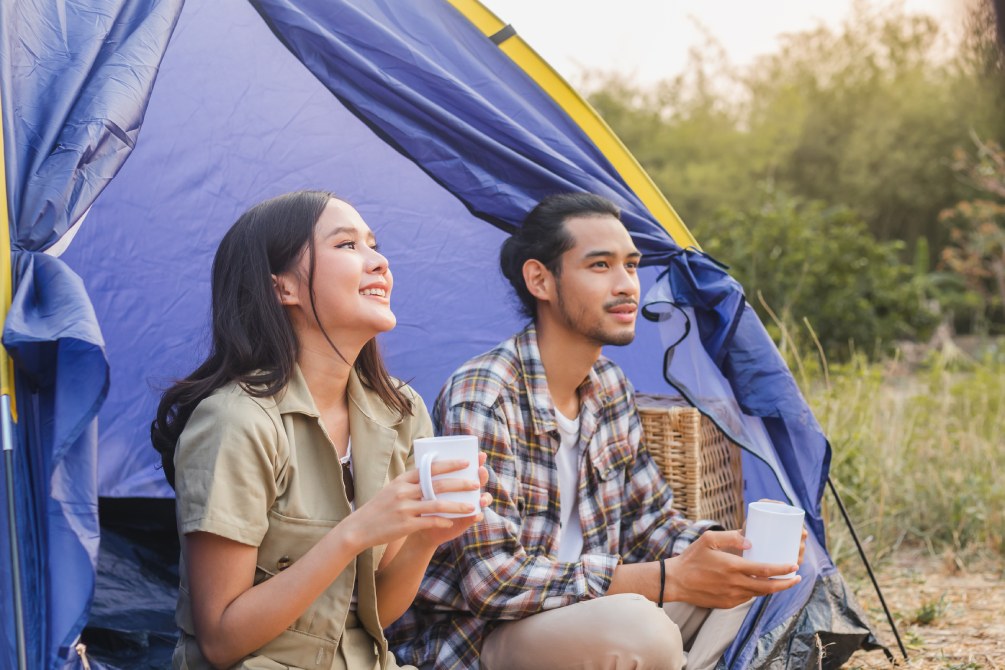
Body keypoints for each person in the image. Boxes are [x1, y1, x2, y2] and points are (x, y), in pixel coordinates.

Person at [388, 193, 805, 670]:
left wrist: (738, 548)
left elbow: (653, 526)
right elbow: (493, 581)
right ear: (540, 279)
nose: (627, 284)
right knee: (641, 632)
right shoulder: (483, 395)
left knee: (747, 583)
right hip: (486, 636)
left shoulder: (609, 387)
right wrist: (668, 580)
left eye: (631, 265)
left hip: (589, 611)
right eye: (600, 266)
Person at [151, 190, 490, 670]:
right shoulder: (237, 421)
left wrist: (427, 537)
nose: (380, 262)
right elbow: (222, 641)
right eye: (348, 245)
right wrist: (352, 534)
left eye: (374, 244)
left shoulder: (400, 411)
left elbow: (373, 616)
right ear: (283, 288)